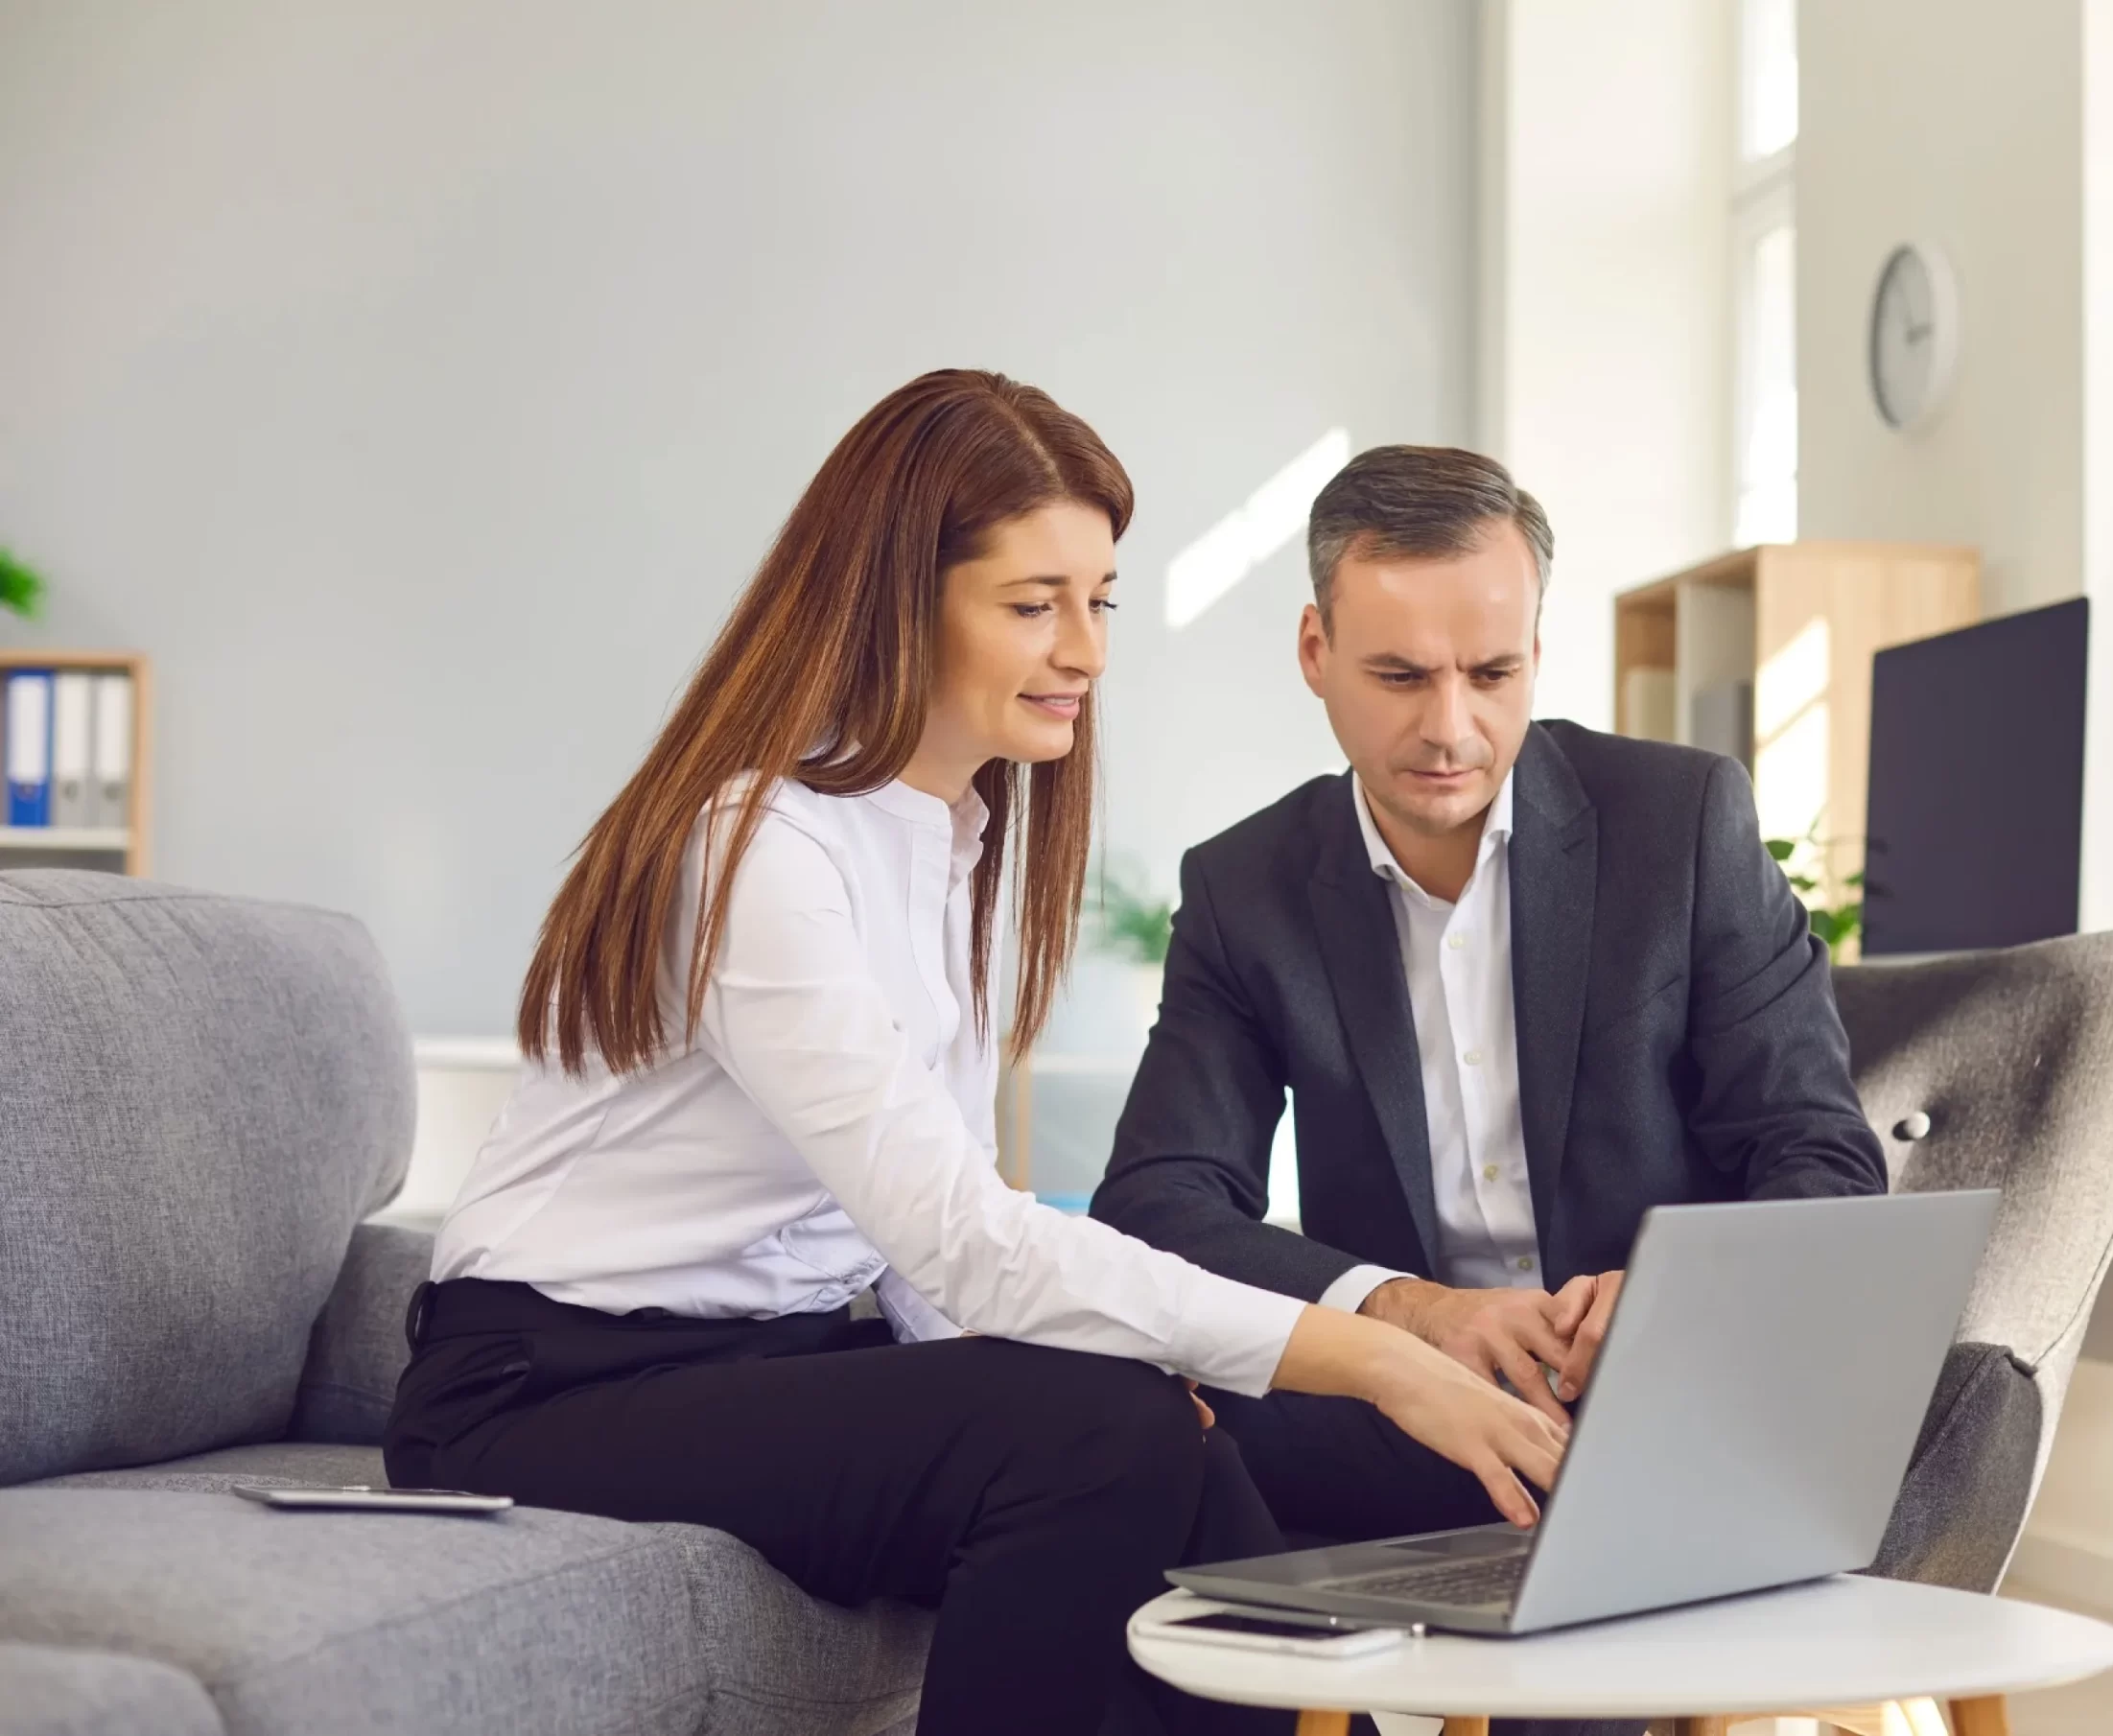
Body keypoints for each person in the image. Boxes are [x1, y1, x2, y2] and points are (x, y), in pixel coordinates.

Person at [384, 377, 1565, 1736]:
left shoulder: (953, 839)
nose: (1085, 648)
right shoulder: (758, 845)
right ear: (900, 599)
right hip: (543, 1389)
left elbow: (920, 1262)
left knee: (1168, 1450)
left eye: (1101, 599)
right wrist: (1371, 1352)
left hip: (773, 1361)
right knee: (1088, 1434)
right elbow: (959, 1236)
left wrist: (1135, 1358)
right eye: (1031, 603)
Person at [1091, 443, 1889, 1545]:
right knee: (1118, 1441)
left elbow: (1822, 1156)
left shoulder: (1681, 823)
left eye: (1491, 673)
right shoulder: (1245, 888)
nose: (1451, 728)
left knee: (1580, 1602)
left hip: (1647, 1397)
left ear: (1535, 655)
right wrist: (1402, 1312)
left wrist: (1670, 1292)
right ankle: (1332, 1720)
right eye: (1402, 676)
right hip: (1401, 1403)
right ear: (1316, 651)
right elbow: (1157, 1201)